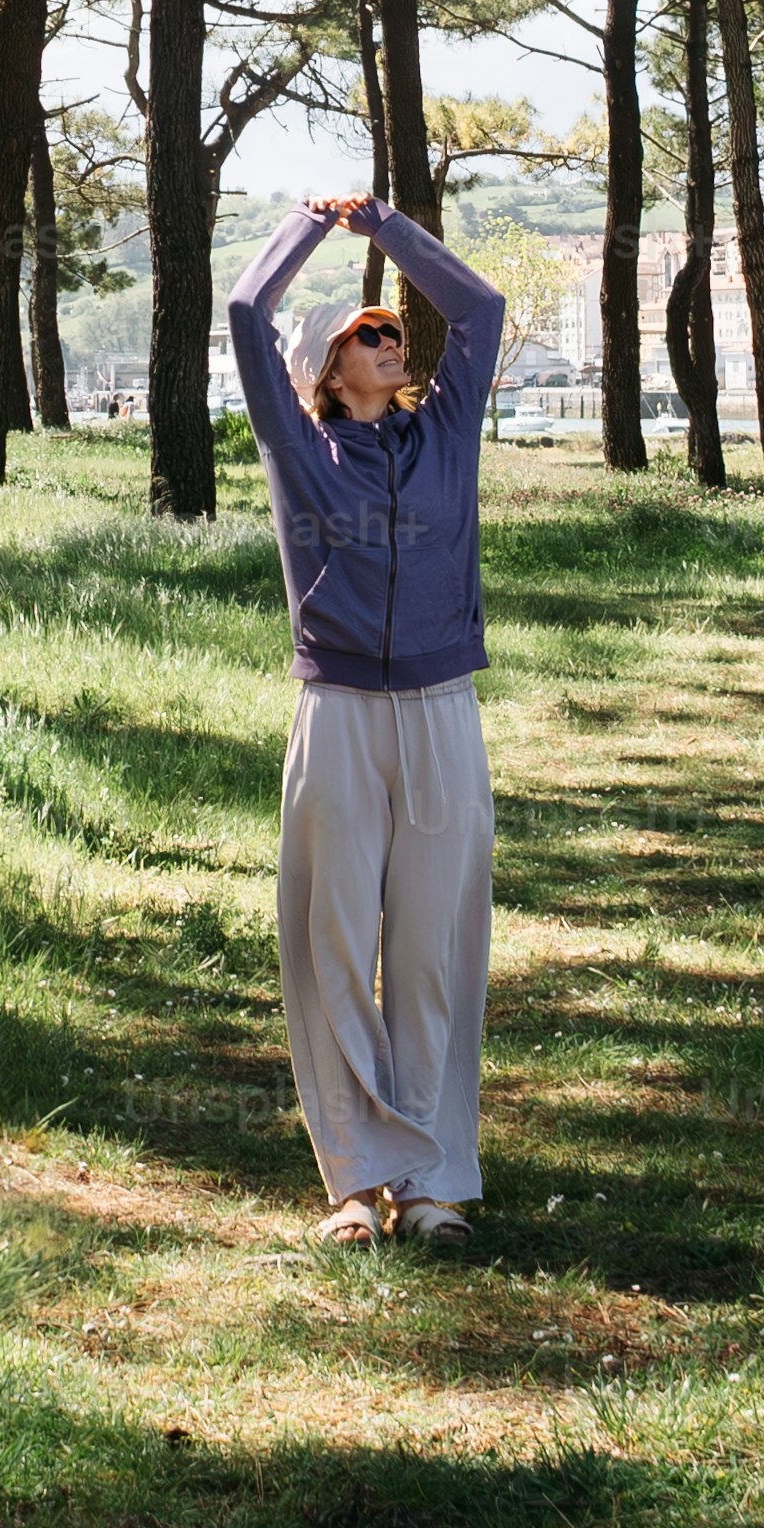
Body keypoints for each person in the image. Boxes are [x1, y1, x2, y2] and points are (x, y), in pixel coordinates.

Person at [231, 187, 505, 1250]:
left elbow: (476, 308)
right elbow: (248, 311)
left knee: (434, 944)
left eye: (394, 331)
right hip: (337, 709)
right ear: (325, 372)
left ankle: (431, 1179)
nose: (393, 339)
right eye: (368, 334)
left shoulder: (443, 430)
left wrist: (384, 229)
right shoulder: (297, 446)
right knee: (334, 942)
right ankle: (354, 1177)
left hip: (441, 707)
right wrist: (305, 226)